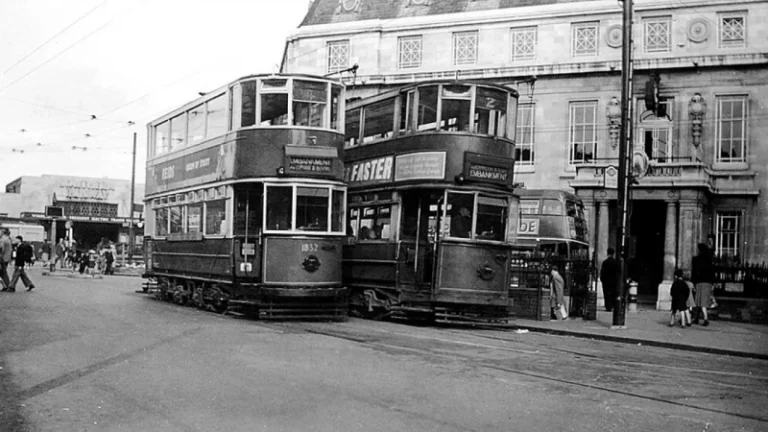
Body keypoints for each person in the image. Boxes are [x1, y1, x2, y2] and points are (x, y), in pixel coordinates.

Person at [691, 243, 715, 326]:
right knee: (700, 301)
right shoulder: (709, 259)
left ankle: (705, 318)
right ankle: (697, 318)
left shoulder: (696, 259)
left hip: (700, 282)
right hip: (708, 283)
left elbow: (694, 272)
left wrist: (693, 282)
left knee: (701, 301)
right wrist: (712, 283)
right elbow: (712, 273)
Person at [599, 247, 620, 312]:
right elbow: (618, 272)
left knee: (607, 294)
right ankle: (613, 306)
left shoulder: (605, 262)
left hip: (606, 282)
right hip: (613, 281)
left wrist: (602, 280)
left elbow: (602, 273)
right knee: (613, 294)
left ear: (607, 253)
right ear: (613, 254)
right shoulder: (616, 262)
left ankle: (608, 307)